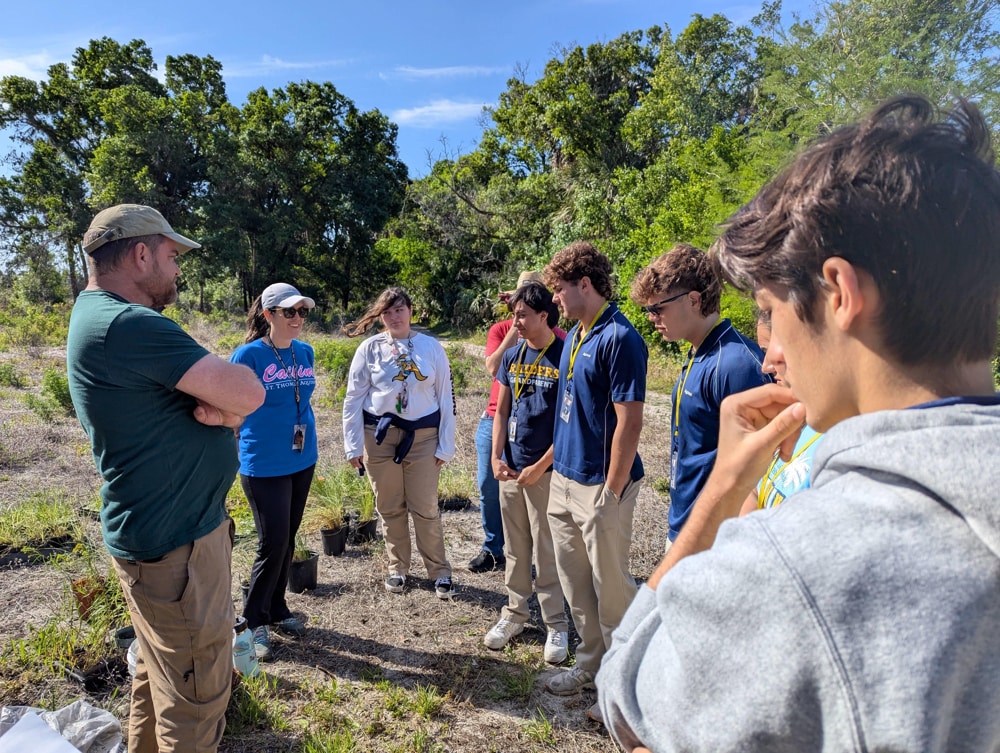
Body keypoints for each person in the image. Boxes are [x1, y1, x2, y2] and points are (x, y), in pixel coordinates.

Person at [596, 95, 1000, 752]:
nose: (768, 350)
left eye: (768, 310)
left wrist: (726, 496)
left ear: (839, 293)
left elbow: (626, 691)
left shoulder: (794, 566)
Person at [66, 204, 265, 753]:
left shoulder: (94, 316)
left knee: (158, 675)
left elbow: (226, 401)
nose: (178, 270)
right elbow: (249, 392)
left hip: (155, 538)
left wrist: (222, 409)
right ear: (140, 253)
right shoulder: (129, 325)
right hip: (177, 548)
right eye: (172, 256)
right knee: (196, 701)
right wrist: (228, 409)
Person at [541, 241, 647, 716]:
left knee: (611, 585)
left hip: (601, 485)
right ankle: (590, 665)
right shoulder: (576, 335)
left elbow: (630, 422)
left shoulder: (620, 338)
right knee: (575, 581)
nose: (555, 299)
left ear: (585, 283)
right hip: (565, 479)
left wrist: (612, 488)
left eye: (560, 289)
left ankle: (627, 680)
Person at [630, 243, 769, 543]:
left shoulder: (737, 364)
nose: (651, 318)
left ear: (693, 300)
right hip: (686, 526)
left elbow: (759, 468)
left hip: (715, 538)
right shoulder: (699, 352)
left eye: (657, 308)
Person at [342, 287, 457, 598]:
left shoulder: (430, 348)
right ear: (381, 316)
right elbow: (353, 399)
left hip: (422, 438)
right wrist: (352, 445)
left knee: (425, 506)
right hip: (379, 438)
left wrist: (446, 444)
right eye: (387, 311)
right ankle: (398, 568)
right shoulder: (369, 349)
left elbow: (445, 397)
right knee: (390, 507)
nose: (394, 316)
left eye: (399, 309)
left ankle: (439, 570)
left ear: (410, 311)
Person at [230, 282, 318, 661]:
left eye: (302, 311)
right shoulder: (247, 356)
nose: (297, 318)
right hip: (264, 462)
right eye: (289, 312)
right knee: (272, 541)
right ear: (268, 315)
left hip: (302, 457)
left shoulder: (306, 351)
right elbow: (231, 414)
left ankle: (277, 607)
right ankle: (252, 621)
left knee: (289, 537)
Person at [483, 281, 569, 663]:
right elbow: (501, 411)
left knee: (546, 550)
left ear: (543, 316)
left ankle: (556, 625)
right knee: (516, 548)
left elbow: (570, 424)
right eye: (514, 314)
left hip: (545, 472)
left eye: (522, 316)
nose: (515, 322)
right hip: (512, 470)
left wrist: (540, 466)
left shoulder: (565, 355)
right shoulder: (513, 355)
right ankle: (515, 614)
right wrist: (496, 456)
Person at [472, 270, 566, 573]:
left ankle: (547, 579)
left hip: (542, 435)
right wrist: (516, 329)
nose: (518, 317)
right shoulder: (502, 329)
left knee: (541, 520)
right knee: (491, 489)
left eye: (525, 308)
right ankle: (493, 548)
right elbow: (492, 366)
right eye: (516, 306)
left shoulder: (561, 340)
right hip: (498, 418)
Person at [739, 312, 821, 515]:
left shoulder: (835, 437)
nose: (765, 366)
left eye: (769, 349)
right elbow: (757, 490)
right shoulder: (796, 419)